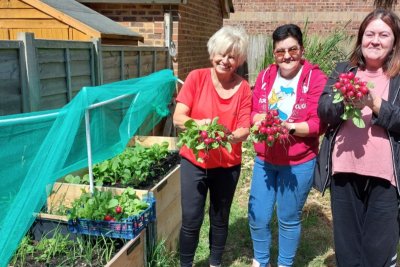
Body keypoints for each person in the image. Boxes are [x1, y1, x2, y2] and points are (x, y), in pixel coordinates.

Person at [315, 8, 400, 267]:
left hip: (386, 179)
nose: (375, 40)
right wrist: (343, 99)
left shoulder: (397, 78)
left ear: (395, 42)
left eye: (383, 35)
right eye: (369, 34)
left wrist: (374, 103)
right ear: (361, 38)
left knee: (378, 252)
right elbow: (324, 110)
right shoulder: (344, 70)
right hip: (344, 171)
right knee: (347, 250)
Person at [249, 24, 327, 267]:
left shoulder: (315, 77)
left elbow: (317, 124)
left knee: (288, 218)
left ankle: (284, 263)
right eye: (280, 51)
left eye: (292, 49)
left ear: (301, 49)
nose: (286, 56)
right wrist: (257, 119)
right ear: (274, 53)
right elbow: (253, 112)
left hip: (298, 162)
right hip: (265, 160)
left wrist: (289, 127)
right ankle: (261, 261)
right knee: (258, 216)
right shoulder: (264, 76)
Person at [173, 25, 252, 267]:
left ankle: (215, 262)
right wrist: (201, 124)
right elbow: (178, 117)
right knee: (191, 218)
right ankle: (186, 264)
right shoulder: (196, 77)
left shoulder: (244, 88)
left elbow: (244, 129)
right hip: (194, 161)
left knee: (219, 218)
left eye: (232, 56)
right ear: (212, 53)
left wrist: (228, 136)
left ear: (238, 60)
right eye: (222, 53)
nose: (225, 60)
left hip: (227, 164)